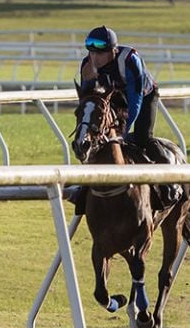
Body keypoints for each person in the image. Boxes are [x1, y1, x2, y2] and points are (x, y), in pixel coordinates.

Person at [75, 25, 181, 212]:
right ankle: (85, 189)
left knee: (142, 137)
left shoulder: (130, 60)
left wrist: (123, 132)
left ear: (113, 51)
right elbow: (88, 100)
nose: (95, 58)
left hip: (143, 96)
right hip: (111, 98)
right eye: (91, 53)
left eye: (100, 53)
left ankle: (168, 182)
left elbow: (135, 101)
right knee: (98, 140)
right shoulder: (87, 66)